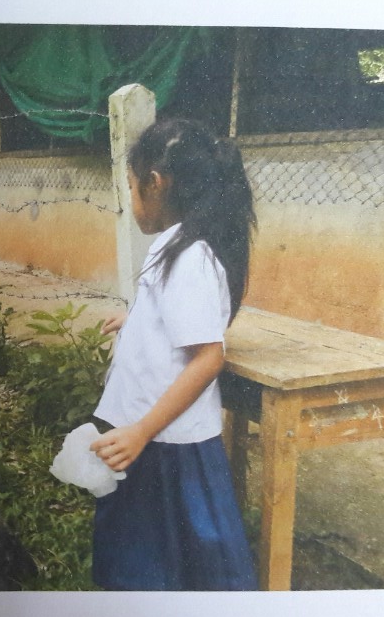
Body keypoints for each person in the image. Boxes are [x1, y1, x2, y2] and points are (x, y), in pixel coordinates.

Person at [88, 118, 258, 591]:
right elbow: (178, 317)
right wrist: (138, 319)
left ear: (155, 183)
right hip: (153, 436)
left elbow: (208, 357)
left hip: (165, 443)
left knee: (179, 561)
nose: (131, 200)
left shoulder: (188, 258)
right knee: (153, 554)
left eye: (131, 188)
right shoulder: (177, 247)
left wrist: (141, 431)